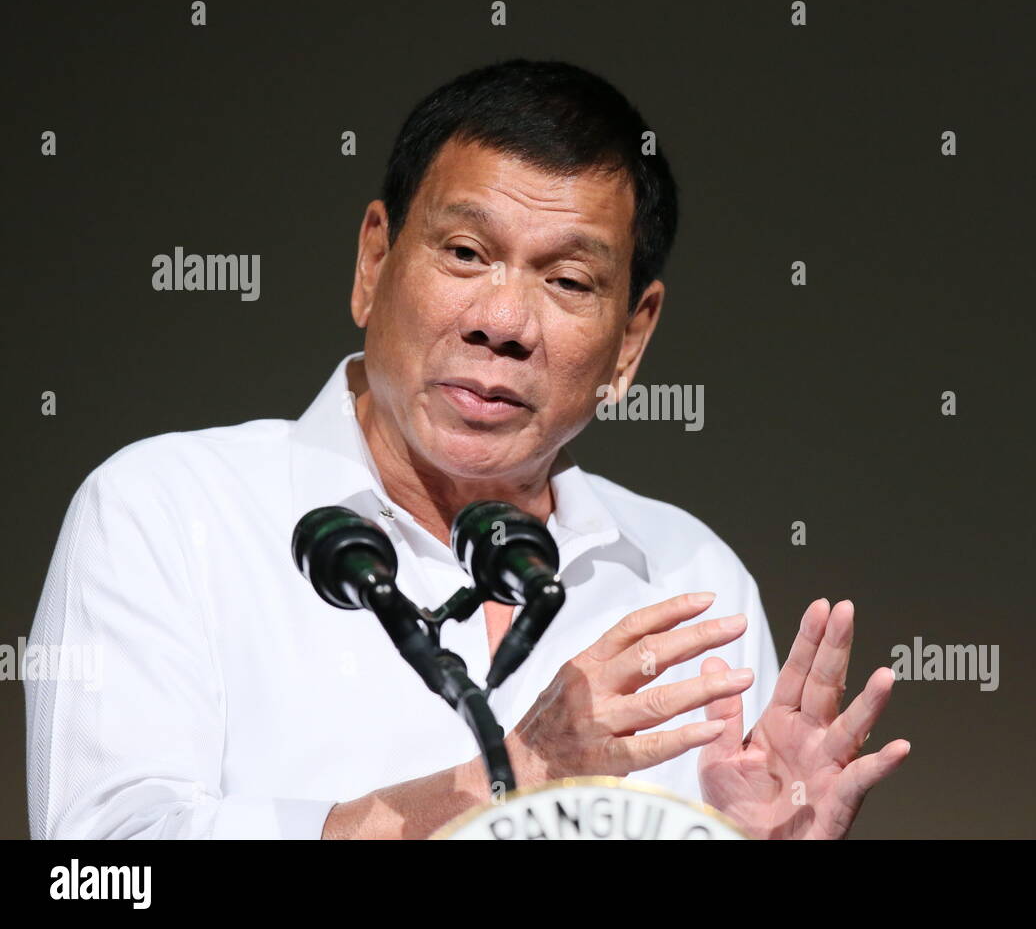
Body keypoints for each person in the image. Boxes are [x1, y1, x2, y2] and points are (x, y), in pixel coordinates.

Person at [26, 59, 908, 840]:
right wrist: (515, 782)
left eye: (567, 281)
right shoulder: (168, 512)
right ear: (374, 260)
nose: (503, 323)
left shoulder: (689, 585)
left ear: (632, 340)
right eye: (464, 251)